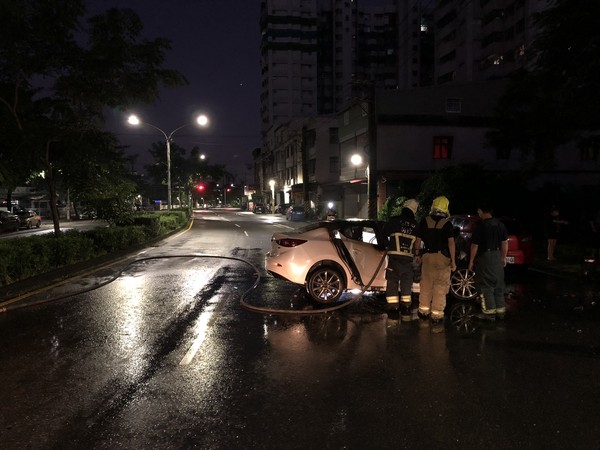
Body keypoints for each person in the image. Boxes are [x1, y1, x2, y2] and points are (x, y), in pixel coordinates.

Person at [413, 196, 456, 328]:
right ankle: (437, 315)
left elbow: (418, 240)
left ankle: (423, 311)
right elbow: (451, 243)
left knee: (426, 284)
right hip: (442, 258)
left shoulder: (424, 221)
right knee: (440, 286)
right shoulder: (447, 224)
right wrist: (453, 261)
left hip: (427, 257)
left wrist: (417, 254)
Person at [467, 202, 508, 321]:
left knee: (486, 286)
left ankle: (489, 314)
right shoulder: (501, 225)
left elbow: (474, 245)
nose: (478, 213)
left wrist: (471, 261)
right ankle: (501, 312)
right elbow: (505, 243)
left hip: (485, 258)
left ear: (482, 211)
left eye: (478, 211)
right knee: (498, 285)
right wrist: (503, 257)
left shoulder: (481, 226)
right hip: (497, 256)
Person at [383, 198, 419, 321]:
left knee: (392, 282)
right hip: (407, 261)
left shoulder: (394, 221)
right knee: (406, 284)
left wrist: (386, 245)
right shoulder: (416, 225)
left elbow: (384, 233)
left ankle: (393, 308)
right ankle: (406, 307)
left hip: (394, 259)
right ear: (414, 211)